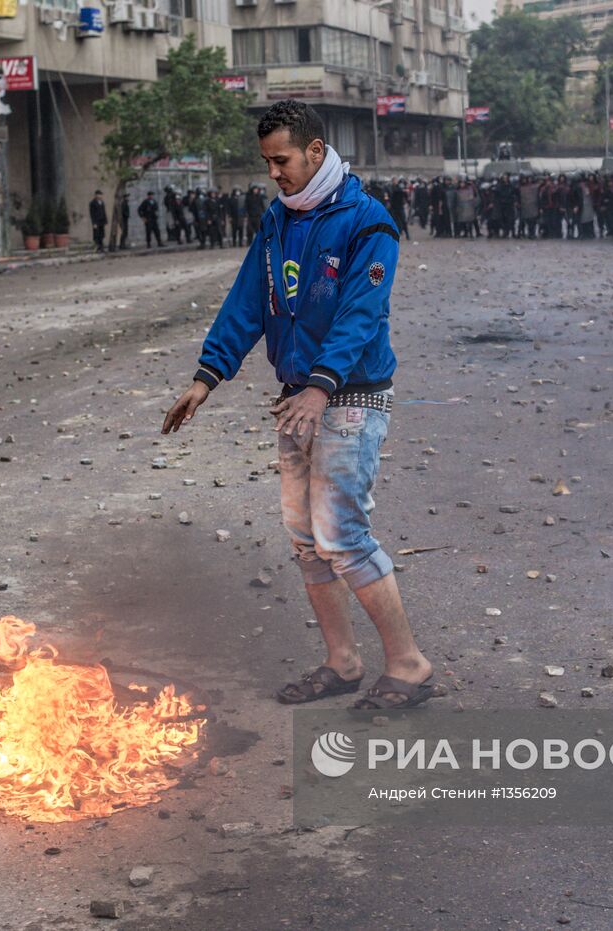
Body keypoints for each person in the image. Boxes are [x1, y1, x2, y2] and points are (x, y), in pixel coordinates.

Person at [162, 100, 434, 711]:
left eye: (281, 160)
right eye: (266, 163)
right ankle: (342, 663)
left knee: (342, 536)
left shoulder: (369, 223)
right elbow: (248, 302)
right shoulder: (277, 222)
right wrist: (207, 377)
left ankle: (409, 665)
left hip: (350, 396)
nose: (274, 174)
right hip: (298, 400)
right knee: (306, 542)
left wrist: (320, 385)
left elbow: (361, 315)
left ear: (315, 152)